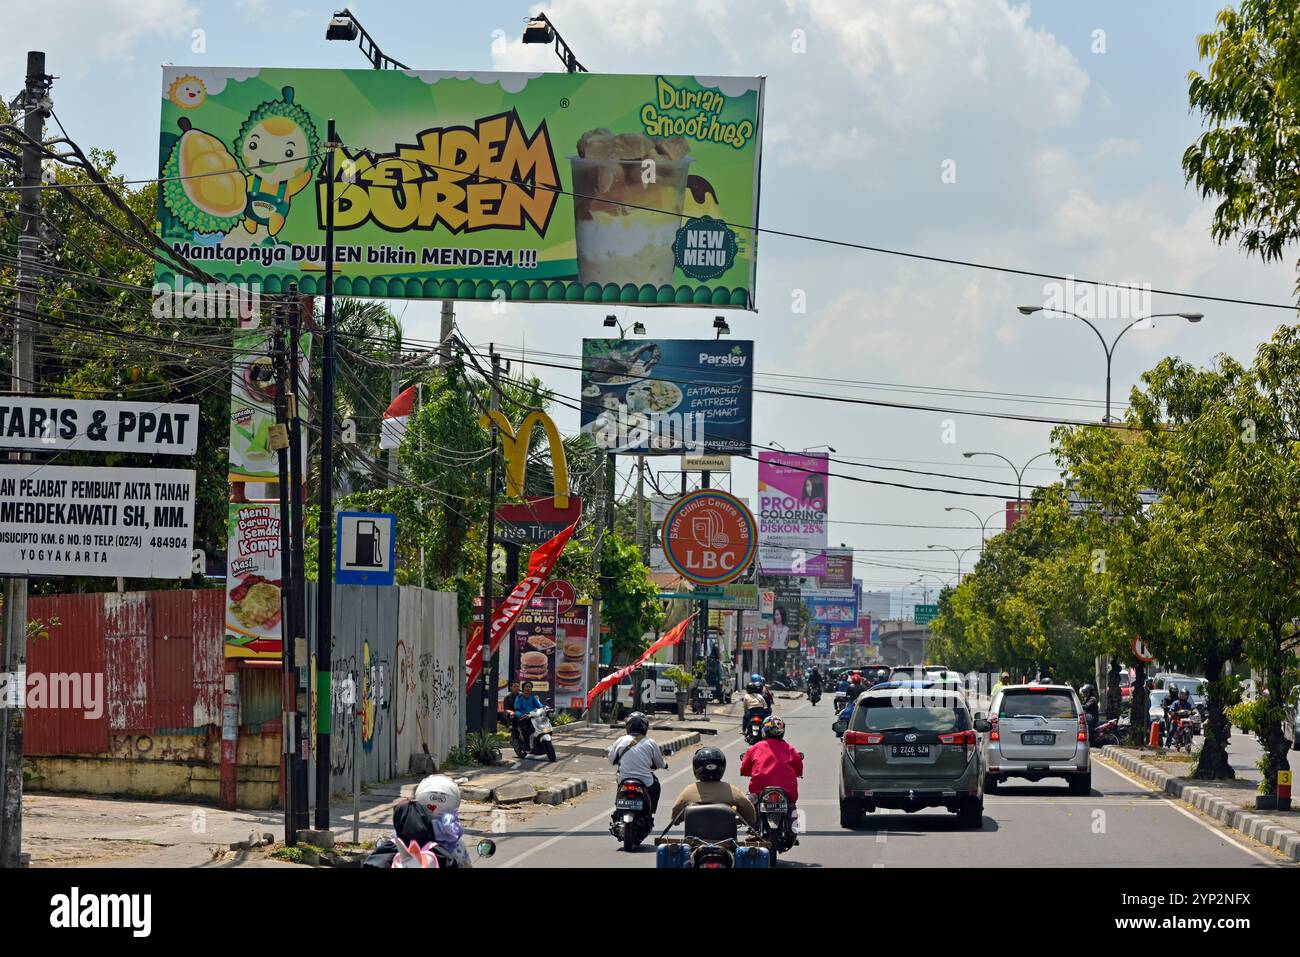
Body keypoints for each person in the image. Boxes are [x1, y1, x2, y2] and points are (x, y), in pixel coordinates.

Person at [669, 746, 758, 829]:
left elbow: (675, 816)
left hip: (695, 842)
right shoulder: (732, 791)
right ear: (722, 768)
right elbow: (750, 815)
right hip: (727, 842)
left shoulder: (688, 791)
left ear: (696, 768)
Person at [607, 711, 667, 815]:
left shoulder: (620, 740)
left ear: (628, 726)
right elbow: (660, 763)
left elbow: (611, 759)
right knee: (656, 786)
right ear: (645, 727)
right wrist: (665, 765)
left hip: (624, 779)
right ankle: (650, 812)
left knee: (619, 785)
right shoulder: (650, 742)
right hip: (645, 781)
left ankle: (619, 807)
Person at [740, 717, 804, 813]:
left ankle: (755, 823)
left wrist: (746, 772)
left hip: (759, 788)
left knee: (752, 805)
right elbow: (798, 767)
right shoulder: (789, 748)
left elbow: (745, 768)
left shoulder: (755, 747)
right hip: (787, 790)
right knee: (791, 805)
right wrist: (798, 773)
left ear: (764, 730)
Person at [513, 680, 545, 747]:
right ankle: (526, 746)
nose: (528, 688)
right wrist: (520, 715)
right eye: (526, 686)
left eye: (530, 687)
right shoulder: (519, 697)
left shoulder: (533, 697)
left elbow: (539, 705)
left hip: (534, 717)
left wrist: (546, 708)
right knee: (525, 731)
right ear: (523, 688)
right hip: (524, 718)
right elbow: (517, 709)